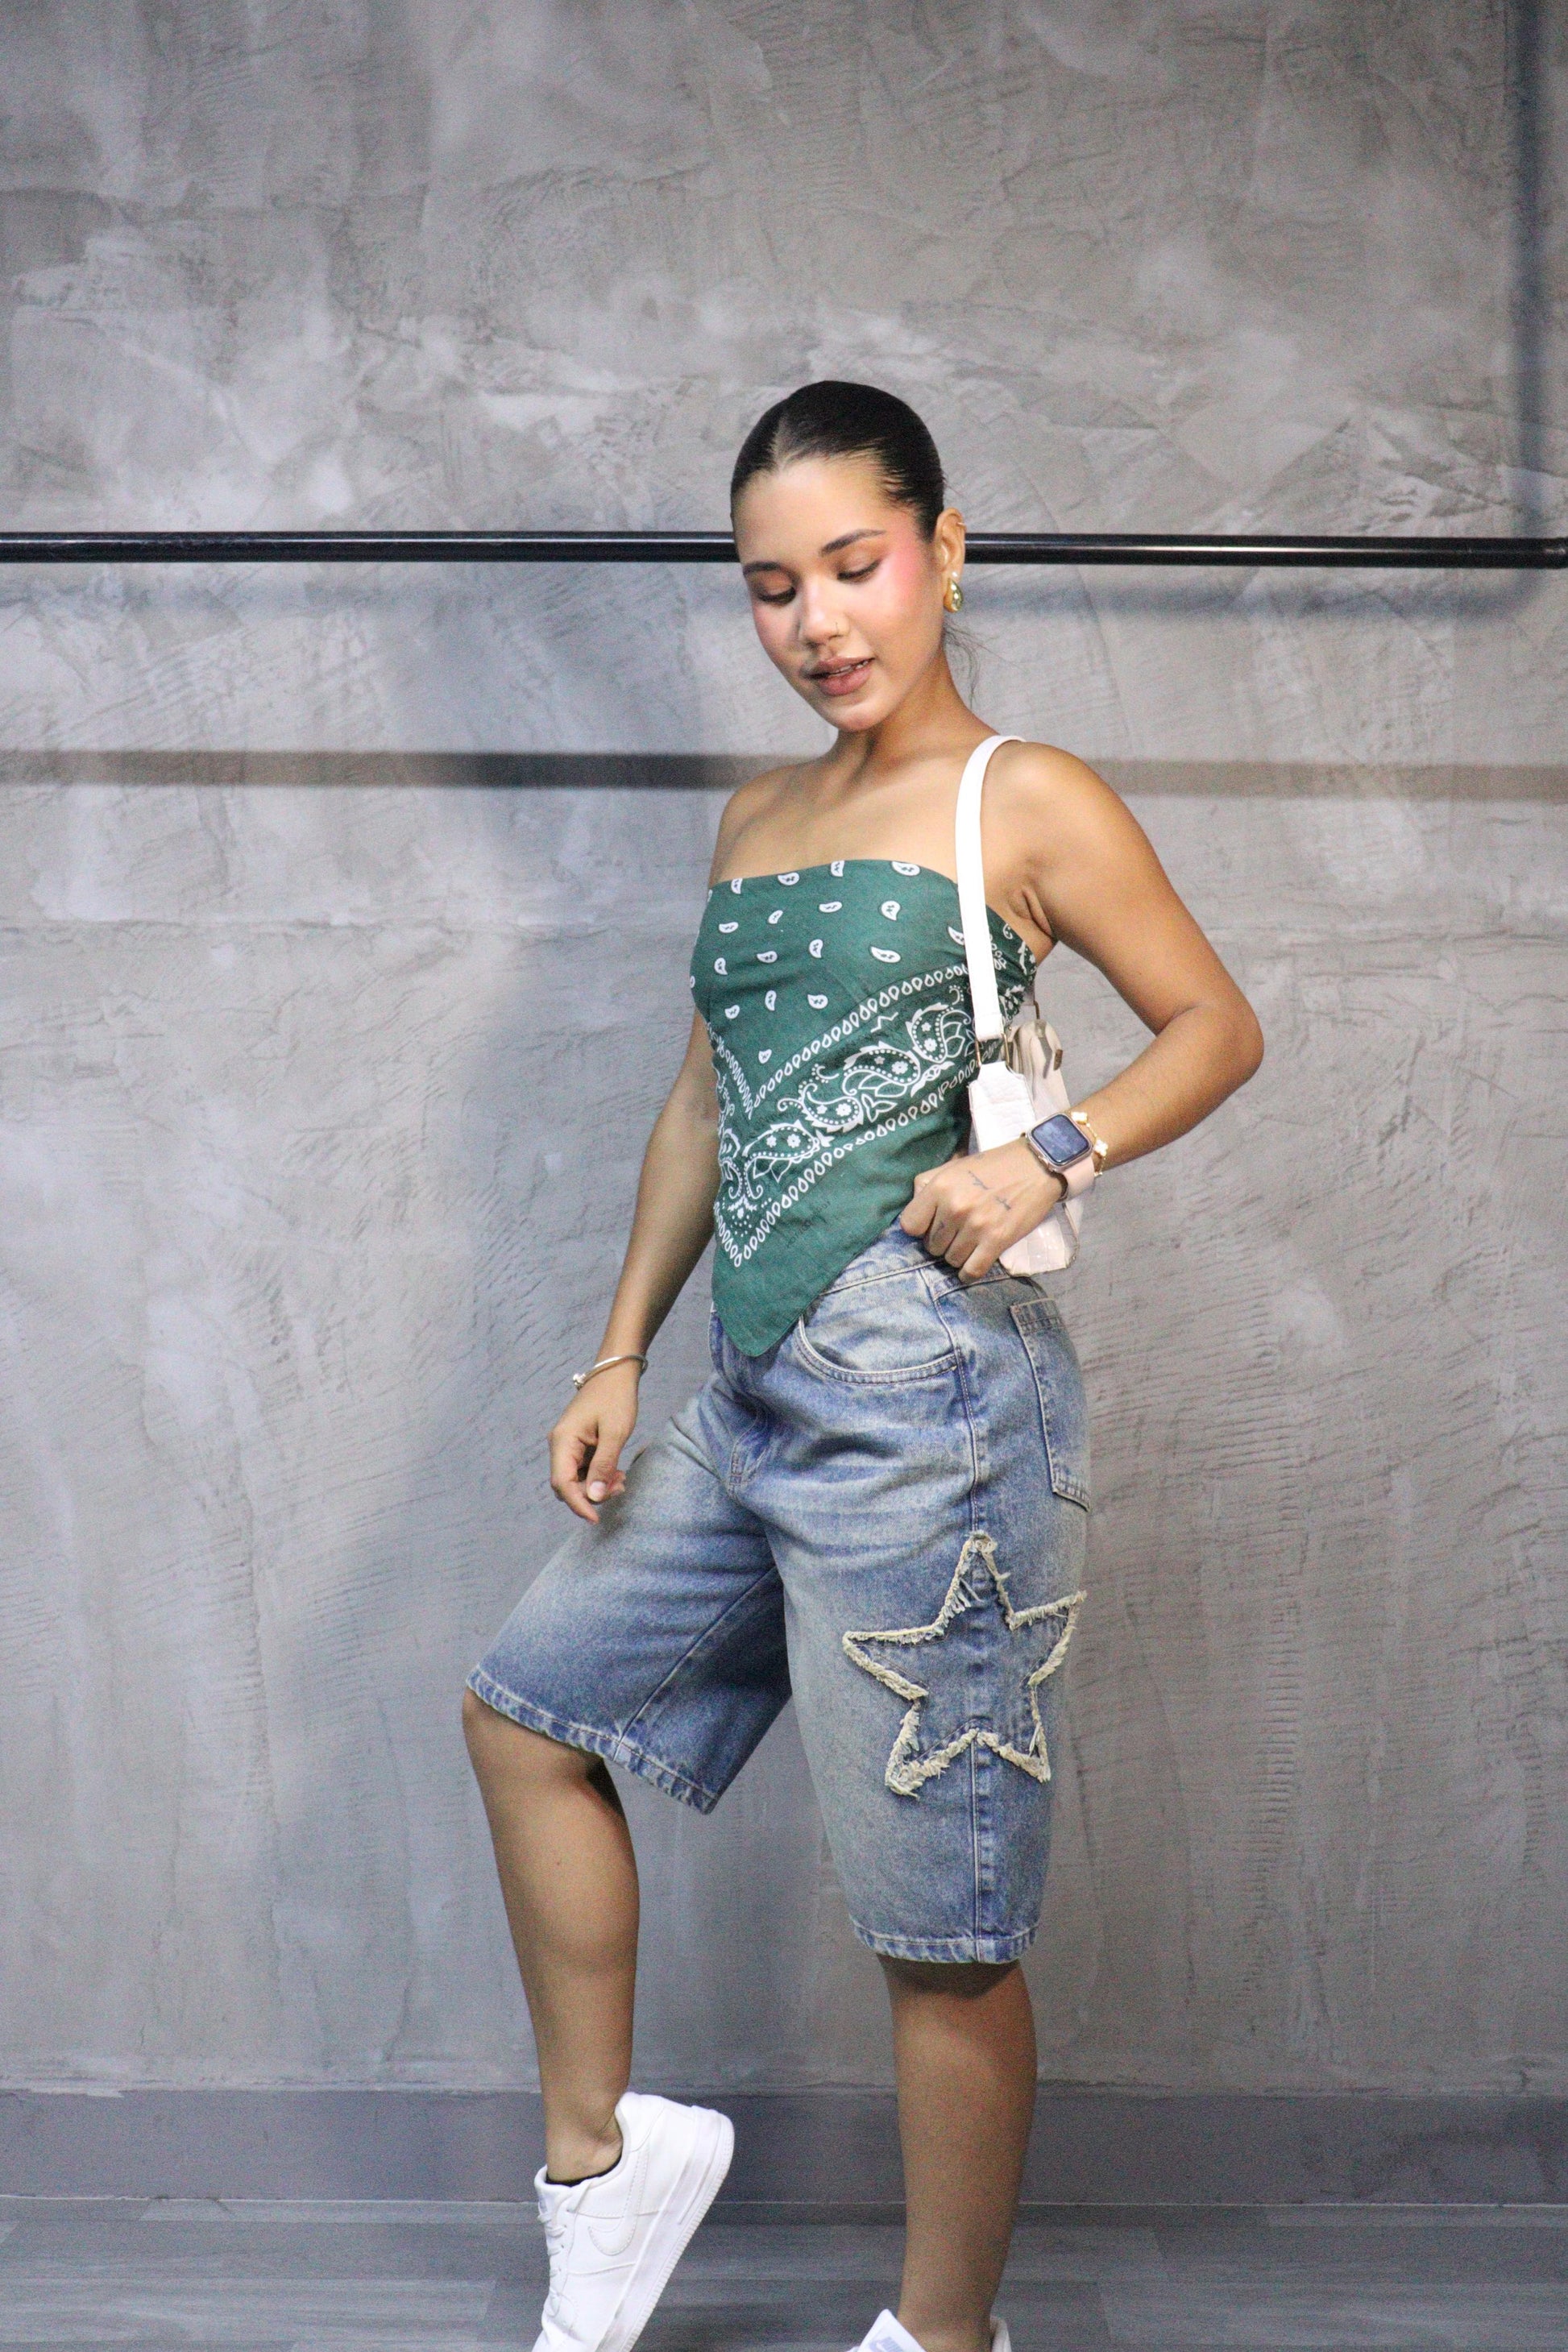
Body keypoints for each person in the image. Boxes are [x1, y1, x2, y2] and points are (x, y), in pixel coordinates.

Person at [462, 380, 1263, 2352]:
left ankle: (941, 2335)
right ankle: (605, 2166)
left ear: (942, 551)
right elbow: (700, 1107)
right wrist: (619, 1345)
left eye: (854, 565)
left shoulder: (1025, 794)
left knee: (939, 1924)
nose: (818, 620)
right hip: (743, 1393)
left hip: (934, 1412)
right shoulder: (756, 818)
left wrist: (1047, 1150)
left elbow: (1213, 1025)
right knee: (525, 1711)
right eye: (771, 588)